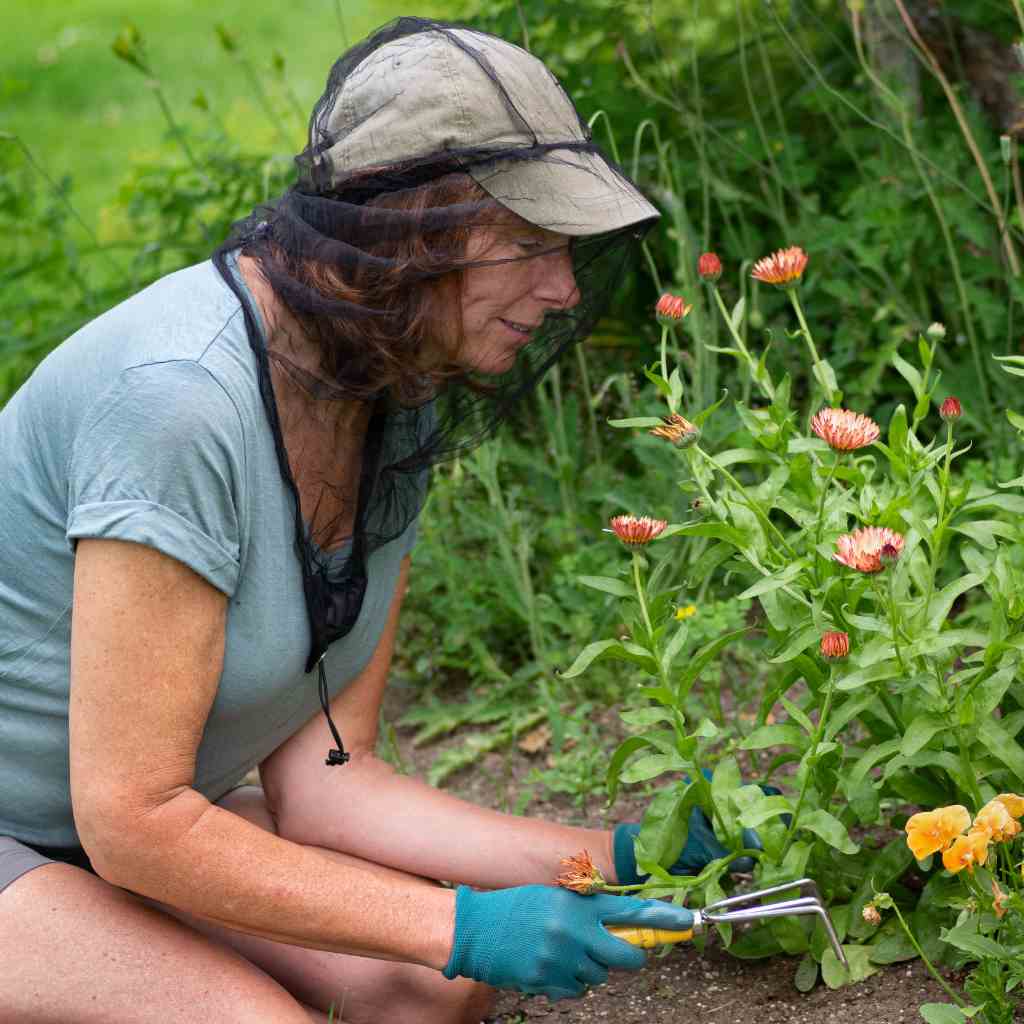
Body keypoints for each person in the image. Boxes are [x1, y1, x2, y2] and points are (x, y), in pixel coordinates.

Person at [0, 17, 755, 1023]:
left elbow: (326, 781)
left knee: (423, 994)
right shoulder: (178, 402)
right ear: (408, 234)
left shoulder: (391, 391)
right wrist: (460, 924)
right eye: (529, 244)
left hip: (107, 831)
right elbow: (136, 819)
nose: (564, 287)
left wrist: (618, 852)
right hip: (88, 827)